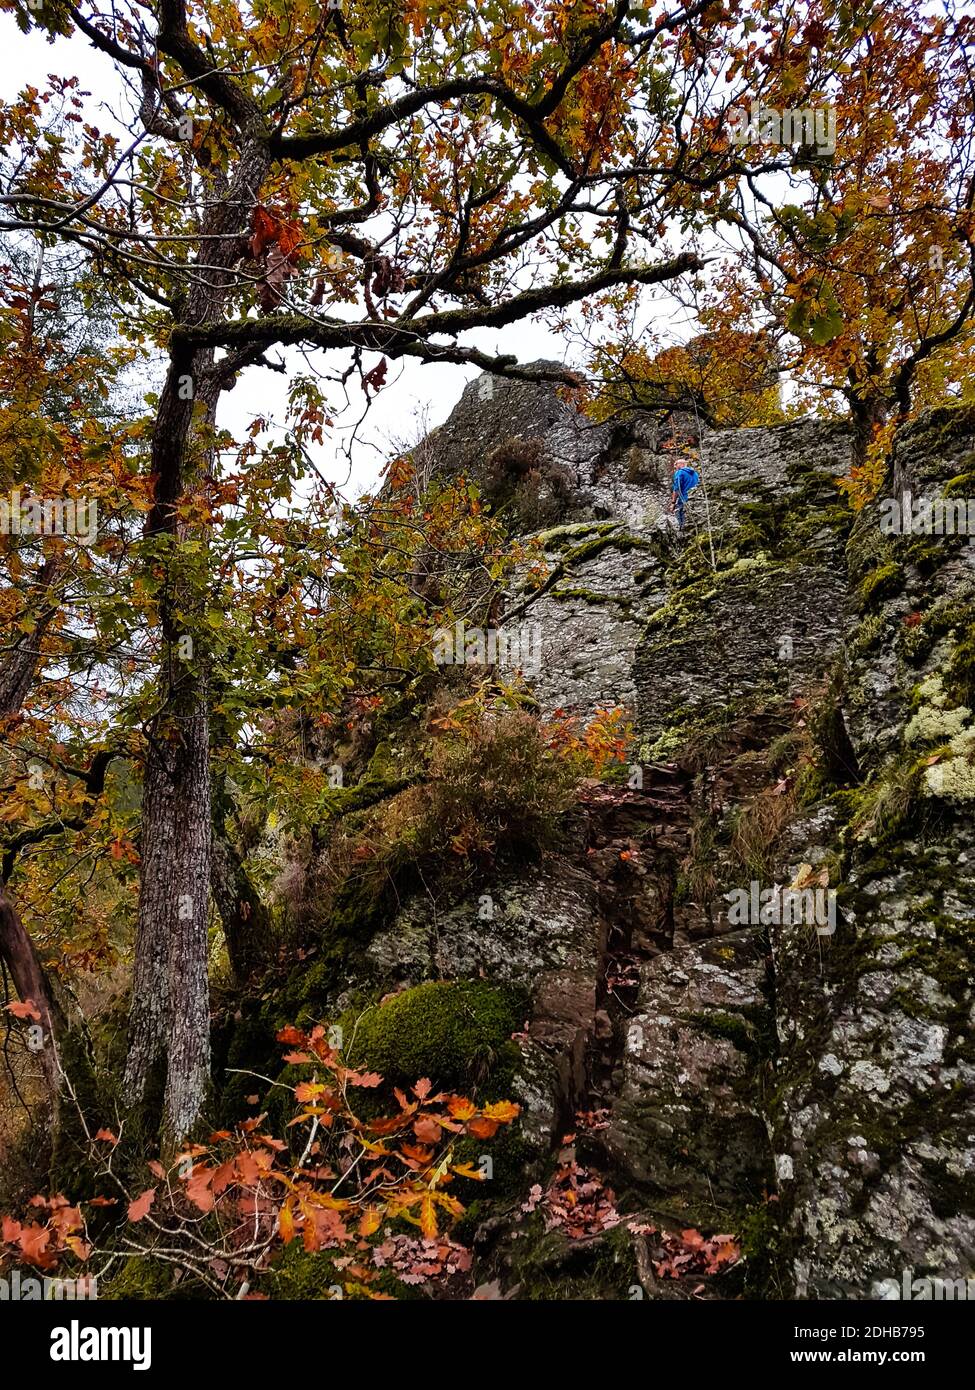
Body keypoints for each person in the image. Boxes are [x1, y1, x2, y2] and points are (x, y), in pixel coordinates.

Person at [669, 459, 701, 530]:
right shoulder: (695, 473)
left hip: (684, 498)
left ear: (681, 464)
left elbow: (677, 488)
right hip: (694, 497)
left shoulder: (680, 472)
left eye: (676, 464)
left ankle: (682, 531)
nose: (675, 467)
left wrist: (673, 502)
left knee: (679, 513)